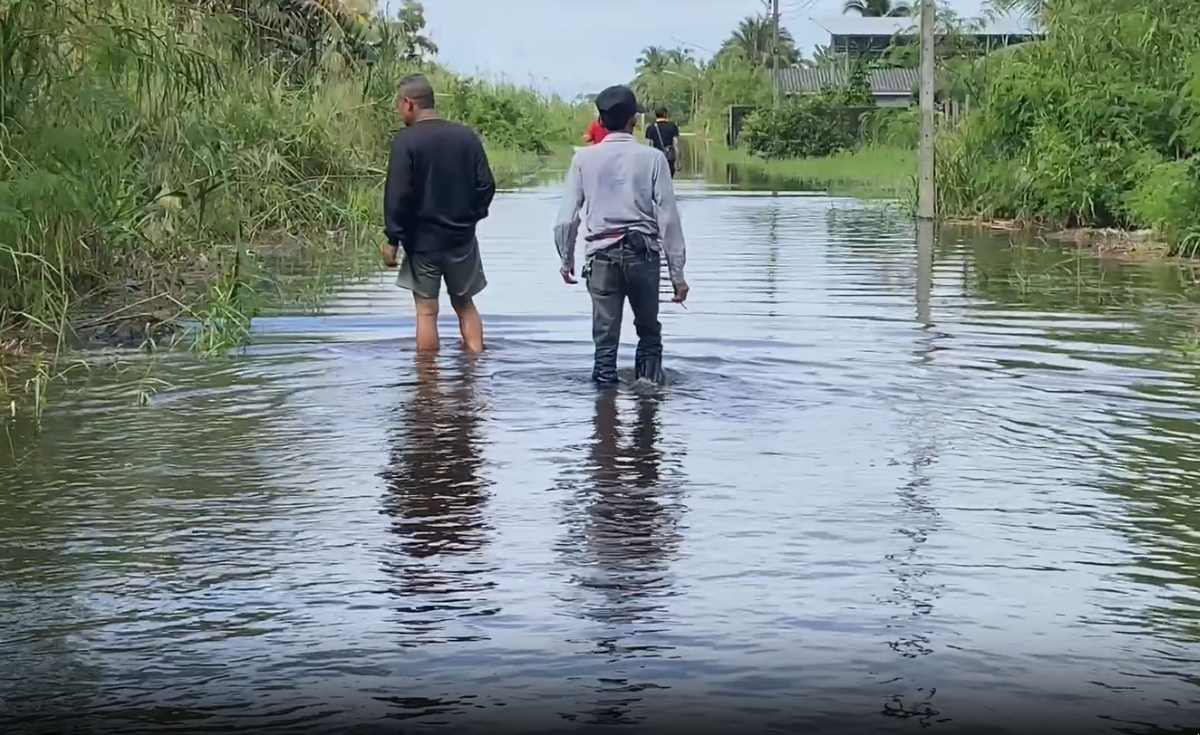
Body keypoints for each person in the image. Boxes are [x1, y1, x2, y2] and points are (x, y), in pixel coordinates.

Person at [554, 85, 689, 386]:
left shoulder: (582, 160)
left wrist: (566, 260)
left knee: (604, 341)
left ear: (600, 122)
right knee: (649, 333)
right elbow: (668, 219)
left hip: (601, 258)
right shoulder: (652, 159)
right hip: (643, 256)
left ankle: (604, 414)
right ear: (634, 120)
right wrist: (677, 275)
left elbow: (565, 220)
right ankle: (649, 402)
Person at [380, 73, 495, 353]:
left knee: (426, 312)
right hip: (461, 240)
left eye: (399, 104)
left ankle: (427, 385)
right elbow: (486, 185)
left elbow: (398, 195)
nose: (399, 110)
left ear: (409, 103)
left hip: (422, 243)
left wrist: (393, 239)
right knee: (465, 305)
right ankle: (475, 371)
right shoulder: (466, 137)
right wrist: (470, 217)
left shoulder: (406, 142)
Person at [645, 107, 680, 177]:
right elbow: (676, 145)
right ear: (665, 114)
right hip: (669, 158)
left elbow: (648, 146)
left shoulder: (650, 128)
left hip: (656, 159)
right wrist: (678, 161)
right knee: (668, 181)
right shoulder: (672, 126)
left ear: (656, 115)